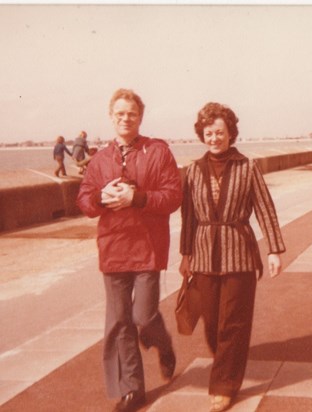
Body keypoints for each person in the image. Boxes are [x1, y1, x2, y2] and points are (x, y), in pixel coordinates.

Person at [77, 88, 182, 412]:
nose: (126, 118)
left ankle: (163, 345)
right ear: (111, 117)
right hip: (113, 248)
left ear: (140, 117)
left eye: (132, 113)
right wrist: (100, 198)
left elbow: (173, 196)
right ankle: (132, 389)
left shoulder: (158, 151)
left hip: (147, 248)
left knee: (144, 316)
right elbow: (83, 200)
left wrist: (136, 198)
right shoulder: (100, 159)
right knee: (120, 322)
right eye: (120, 113)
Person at [179, 102, 286, 412]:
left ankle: (224, 383)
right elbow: (188, 218)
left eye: (220, 132)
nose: (215, 138)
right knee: (212, 322)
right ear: (202, 135)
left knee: (234, 323)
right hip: (202, 256)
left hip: (239, 253)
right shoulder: (193, 171)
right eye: (209, 133)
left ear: (231, 134)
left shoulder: (247, 167)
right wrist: (185, 256)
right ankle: (226, 364)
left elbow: (265, 208)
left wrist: (274, 250)